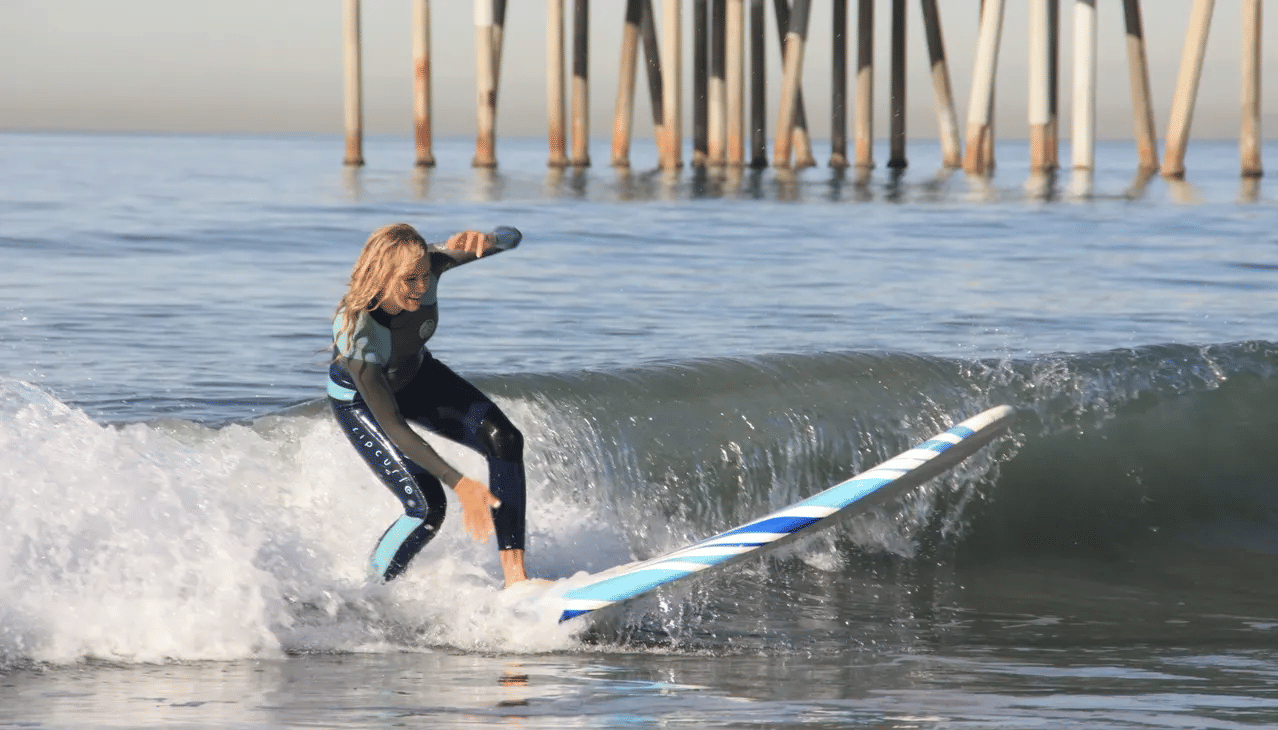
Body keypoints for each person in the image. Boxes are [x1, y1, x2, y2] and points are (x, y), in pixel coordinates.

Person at [327, 222, 529, 587]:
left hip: (418, 376)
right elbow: (392, 425)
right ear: (381, 276)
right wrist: (460, 483)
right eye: (409, 280)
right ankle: (371, 596)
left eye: (425, 277)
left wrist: (489, 239)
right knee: (427, 508)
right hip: (362, 402)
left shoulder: (431, 262)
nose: (422, 287)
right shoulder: (356, 329)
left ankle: (516, 580)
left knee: (506, 440)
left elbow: (513, 237)